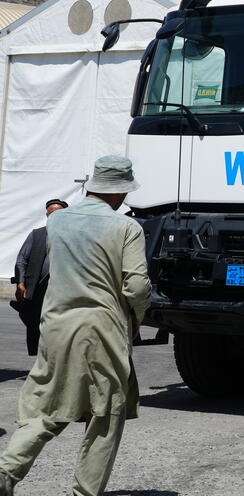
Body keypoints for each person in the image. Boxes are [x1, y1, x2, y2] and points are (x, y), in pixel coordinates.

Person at [0, 156, 150, 496]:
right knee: (106, 412)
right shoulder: (126, 227)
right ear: (118, 193)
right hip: (101, 329)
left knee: (46, 404)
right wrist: (139, 314)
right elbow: (136, 286)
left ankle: (6, 471)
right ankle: (85, 492)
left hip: (54, 325)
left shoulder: (57, 222)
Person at [11, 199, 68, 356]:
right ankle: (41, 359)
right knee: (35, 323)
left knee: (59, 327)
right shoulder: (37, 234)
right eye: (50, 214)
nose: (54, 217)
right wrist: (20, 283)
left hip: (62, 290)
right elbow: (22, 259)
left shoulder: (73, 235)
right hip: (37, 289)